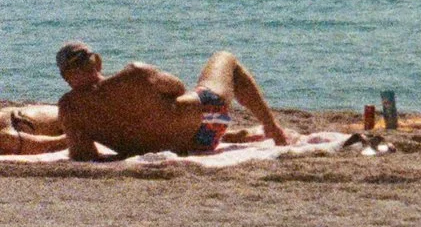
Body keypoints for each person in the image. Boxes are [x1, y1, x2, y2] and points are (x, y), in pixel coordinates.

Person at [51, 42, 286, 164]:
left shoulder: (69, 108)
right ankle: (272, 128)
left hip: (189, 146)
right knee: (227, 60)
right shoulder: (135, 73)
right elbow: (178, 88)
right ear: (98, 62)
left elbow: (83, 155)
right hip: (207, 121)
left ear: (65, 77)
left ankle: (241, 134)